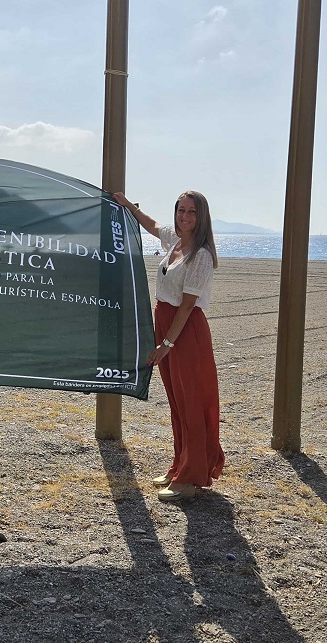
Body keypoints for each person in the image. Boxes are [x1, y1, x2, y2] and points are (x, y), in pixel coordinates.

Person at [111, 189, 224, 502]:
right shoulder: (175, 240)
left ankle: (190, 477)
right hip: (167, 326)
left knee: (191, 403)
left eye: (192, 212)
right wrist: (128, 206)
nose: (185, 217)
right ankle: (179, 466)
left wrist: (166, 343)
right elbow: (152, 225)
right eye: (181, 210)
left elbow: (187, 306)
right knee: (177, 402)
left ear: (201, 217)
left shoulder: (200, 255)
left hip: (185, 332)